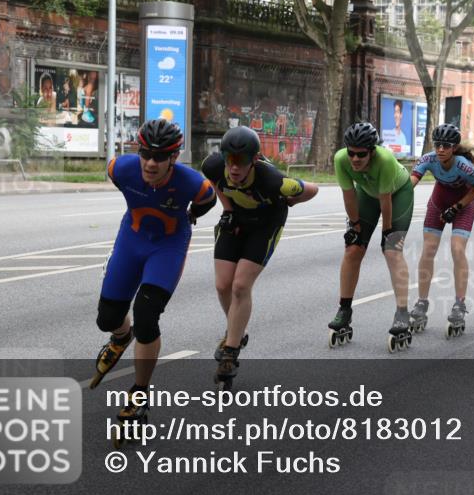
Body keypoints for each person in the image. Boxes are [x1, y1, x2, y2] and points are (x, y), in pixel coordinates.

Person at [90, 119, 217, 428]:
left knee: (147, 316)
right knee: (107, 318)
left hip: (168, 247)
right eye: (145, 153)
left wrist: (189, 216)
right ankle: (121, 336)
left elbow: (207, 201)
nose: (150, 162)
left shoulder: (192, 183)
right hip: (132, 240)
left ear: (173, 158)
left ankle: (139, 393)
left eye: (160, 157)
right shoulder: (120, 169)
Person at [201, 126, 318, 388]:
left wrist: (292, 201)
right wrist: (227, 208)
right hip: (237, 219)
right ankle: (237, 332)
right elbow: (218, 184)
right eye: (229, 159)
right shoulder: (213, 165)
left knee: (241, 285)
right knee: (222, 285)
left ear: (254, 160)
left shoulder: (272, 180)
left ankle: (230, 351)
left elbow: (313, 188)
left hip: (265, 225)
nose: (234, 167)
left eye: (240, 161)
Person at [330, 122, 415, 352]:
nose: (355, 159)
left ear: (372, 151)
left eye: (361, 154)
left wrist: (387, 230)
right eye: (351, 153)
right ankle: (344, 309)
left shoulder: (385, 160)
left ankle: (402, 314)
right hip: (367, 195)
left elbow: (385, 200)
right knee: (353, 248)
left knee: (392, 250)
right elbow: (349, 196)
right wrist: (355, 227)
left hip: (398, 195)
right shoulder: (340, 159)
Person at [408, 123, 474, 338]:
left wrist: (457, 207)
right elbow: (411, 182)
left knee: (457, 249)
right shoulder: (428, 159)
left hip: (463, 204)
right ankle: (422, 303)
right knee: (428, 249)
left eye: (446, 146)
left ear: (454, 147)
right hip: (438, 202)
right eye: (438, 145)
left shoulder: (463, 165)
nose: (441, 149)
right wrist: (397, 197)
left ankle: (459, 304)